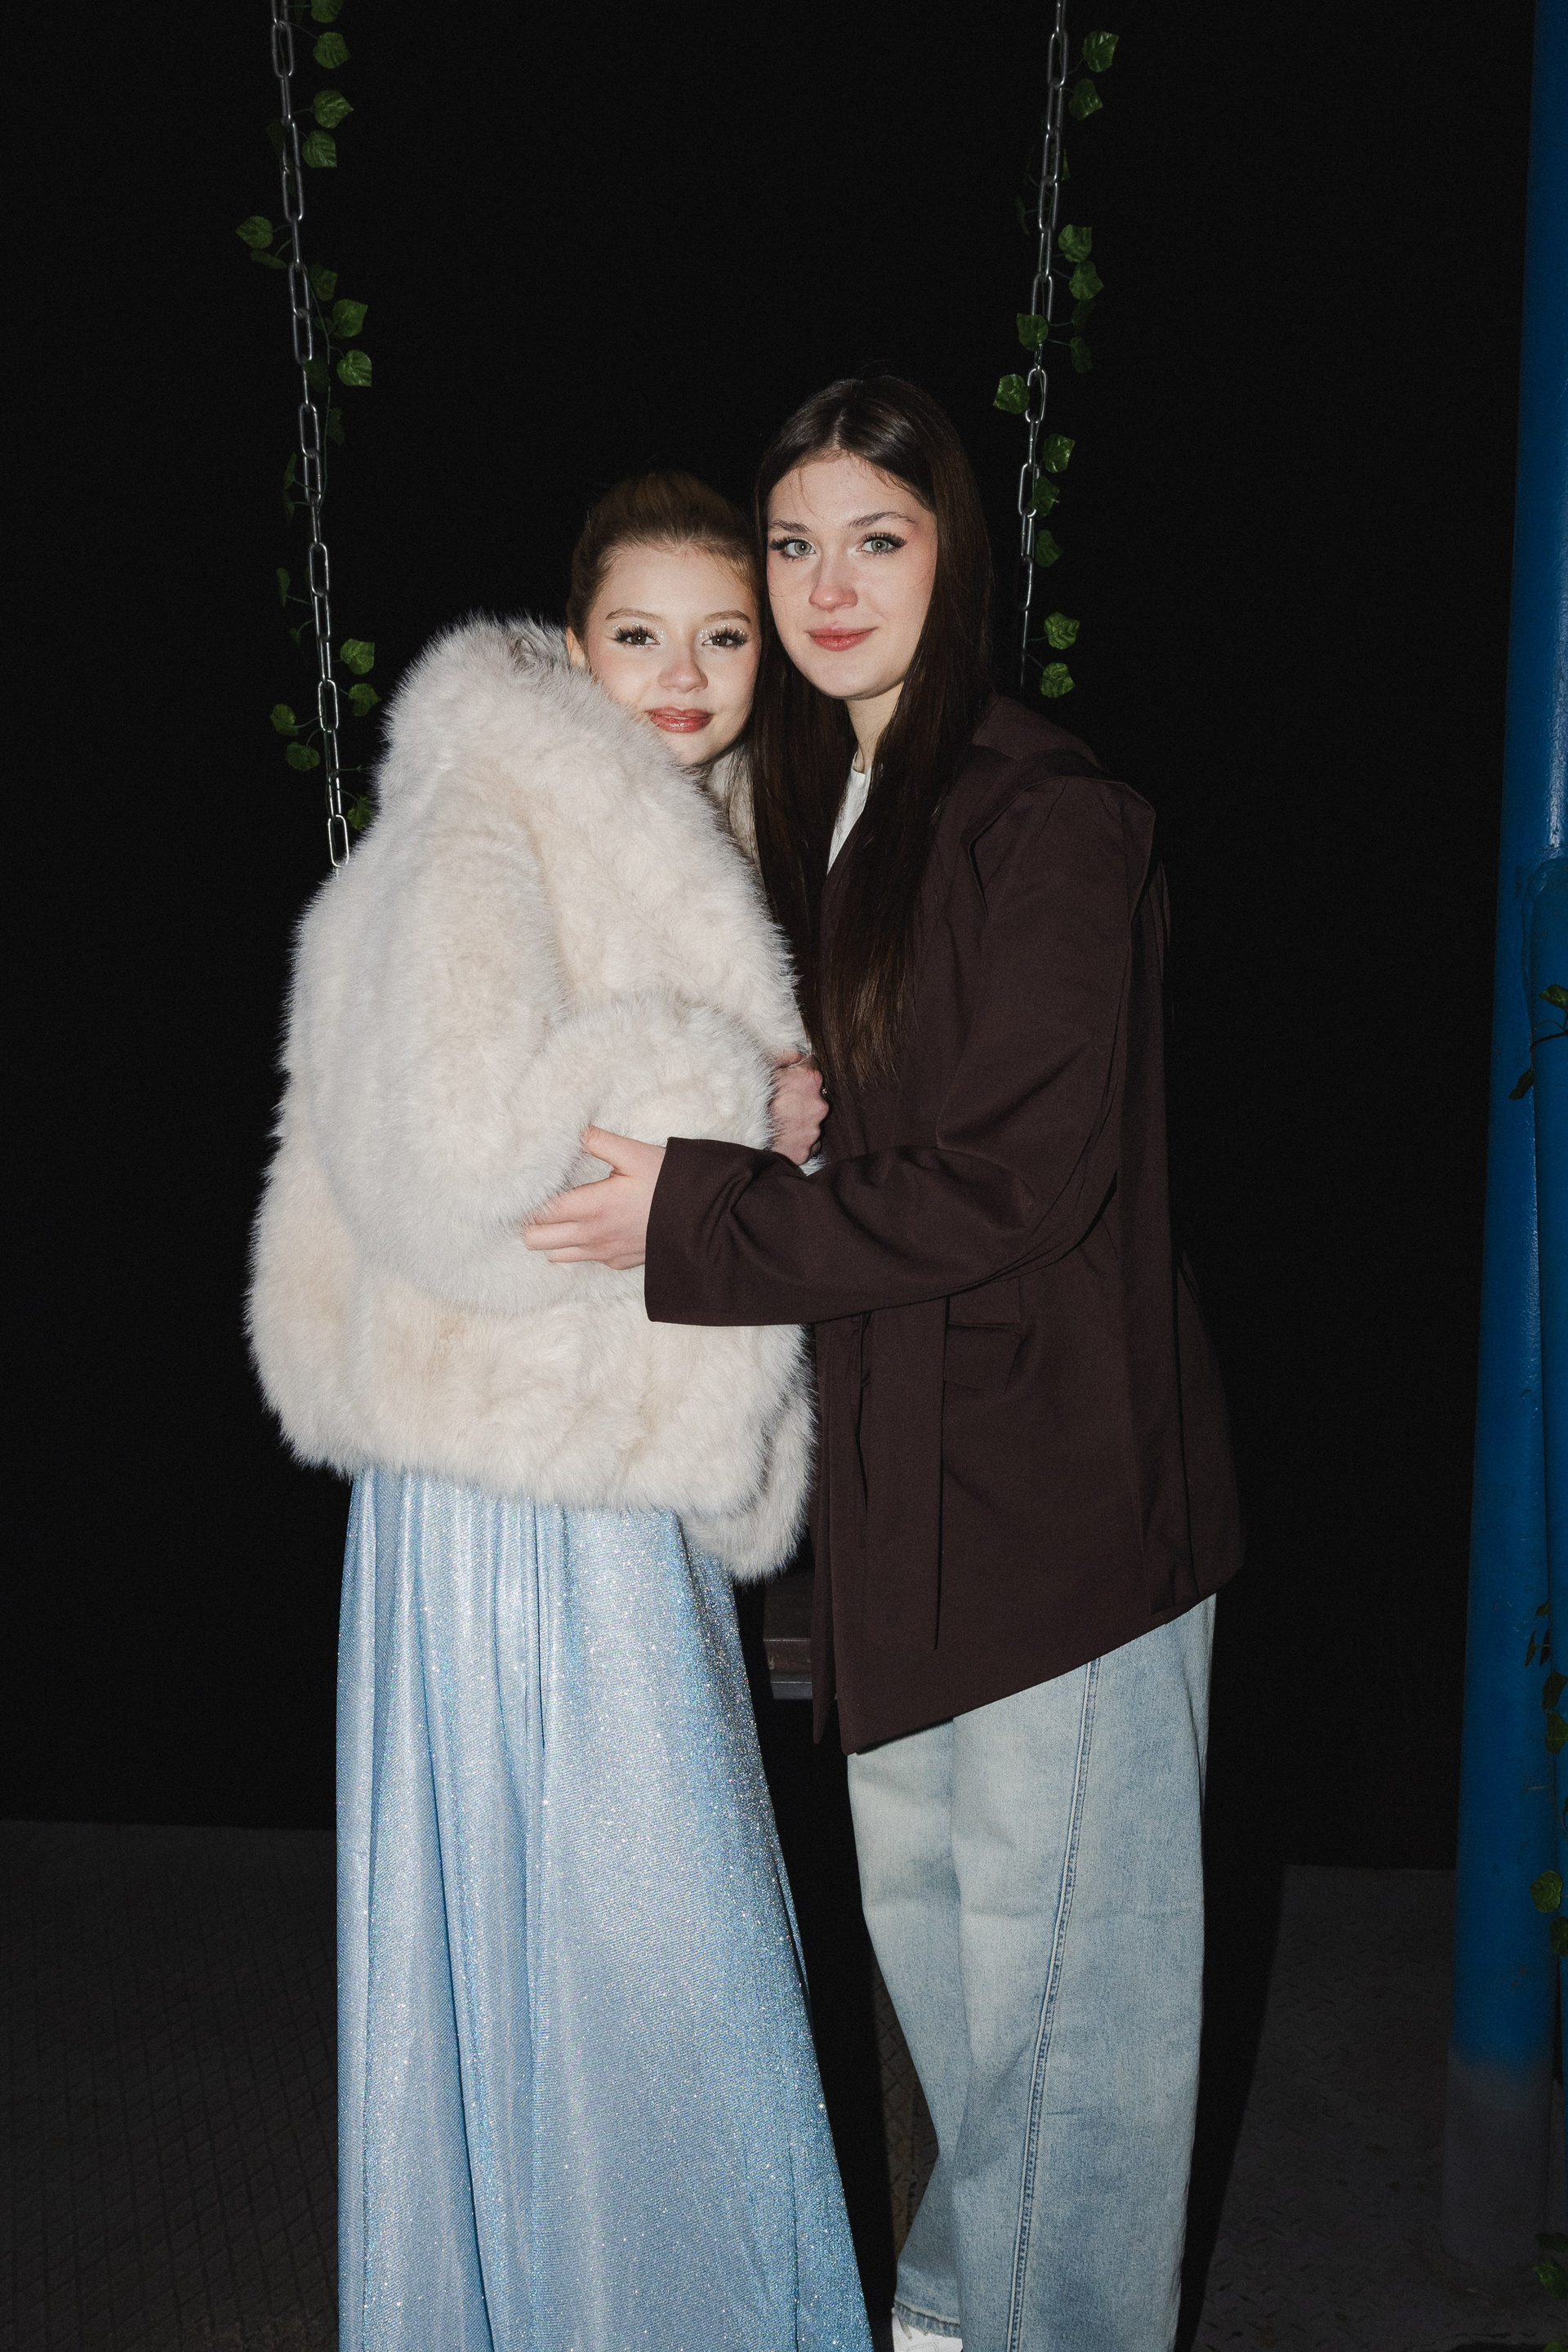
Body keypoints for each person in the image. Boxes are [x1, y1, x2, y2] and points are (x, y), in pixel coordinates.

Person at [524, 383, 1245, 2352]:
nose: (829, 585)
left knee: (1072, 2036)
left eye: (879, 539)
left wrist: (699, 1215)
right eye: (795, 544)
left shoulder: (1050, 815)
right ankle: (952, 2315)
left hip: (1066, 1510)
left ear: (955, 559)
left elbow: (1012, 1183)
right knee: (953, 1994)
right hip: (901, 1512)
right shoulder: (820, 811)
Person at [248, 470, 868, 2352]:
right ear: (575, 639)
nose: (682, 674)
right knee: (642, 1957)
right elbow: (454, 1162)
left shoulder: (709, 826)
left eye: (722, 636)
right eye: (639, 634)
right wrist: (730, 1088)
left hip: (607, 1474)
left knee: (630, 1958)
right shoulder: (486, 814)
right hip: (508, 1483)